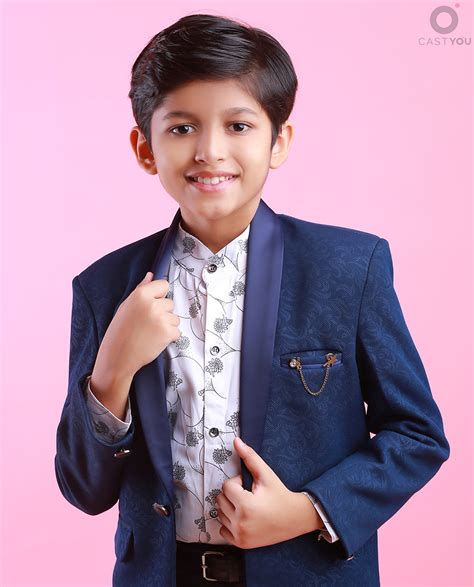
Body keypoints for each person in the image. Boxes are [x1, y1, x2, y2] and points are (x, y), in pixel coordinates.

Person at [54, 13, 450, 587]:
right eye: (181, 128)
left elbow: (416, 436)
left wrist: (308, 510)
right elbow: (84, 490)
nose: (210, 151)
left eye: (238, 125)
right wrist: (112, 372)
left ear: (278, 140)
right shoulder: (105, 287)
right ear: (145, 148)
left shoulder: (348, 269)